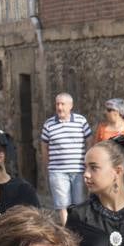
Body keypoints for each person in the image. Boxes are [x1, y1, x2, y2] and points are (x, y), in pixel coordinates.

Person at [38, 92, 92, 222]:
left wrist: (88, 163)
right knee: (62, 205)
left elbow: (89, 139)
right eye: (57, 104)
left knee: (79, 203)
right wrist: (47, 165)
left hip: (78, 169)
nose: (59, 107)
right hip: (57, 171)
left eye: (63, 104)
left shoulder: (81, 121)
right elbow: (44, 145)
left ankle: (79, 228)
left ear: (70, 106)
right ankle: (68, 232)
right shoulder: (49, 124)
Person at [93, 98, 124, 163]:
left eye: (109, 110)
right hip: (106, 165)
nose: (105, 112)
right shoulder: (102, 128)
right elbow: (96, 147)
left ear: (117, 112)